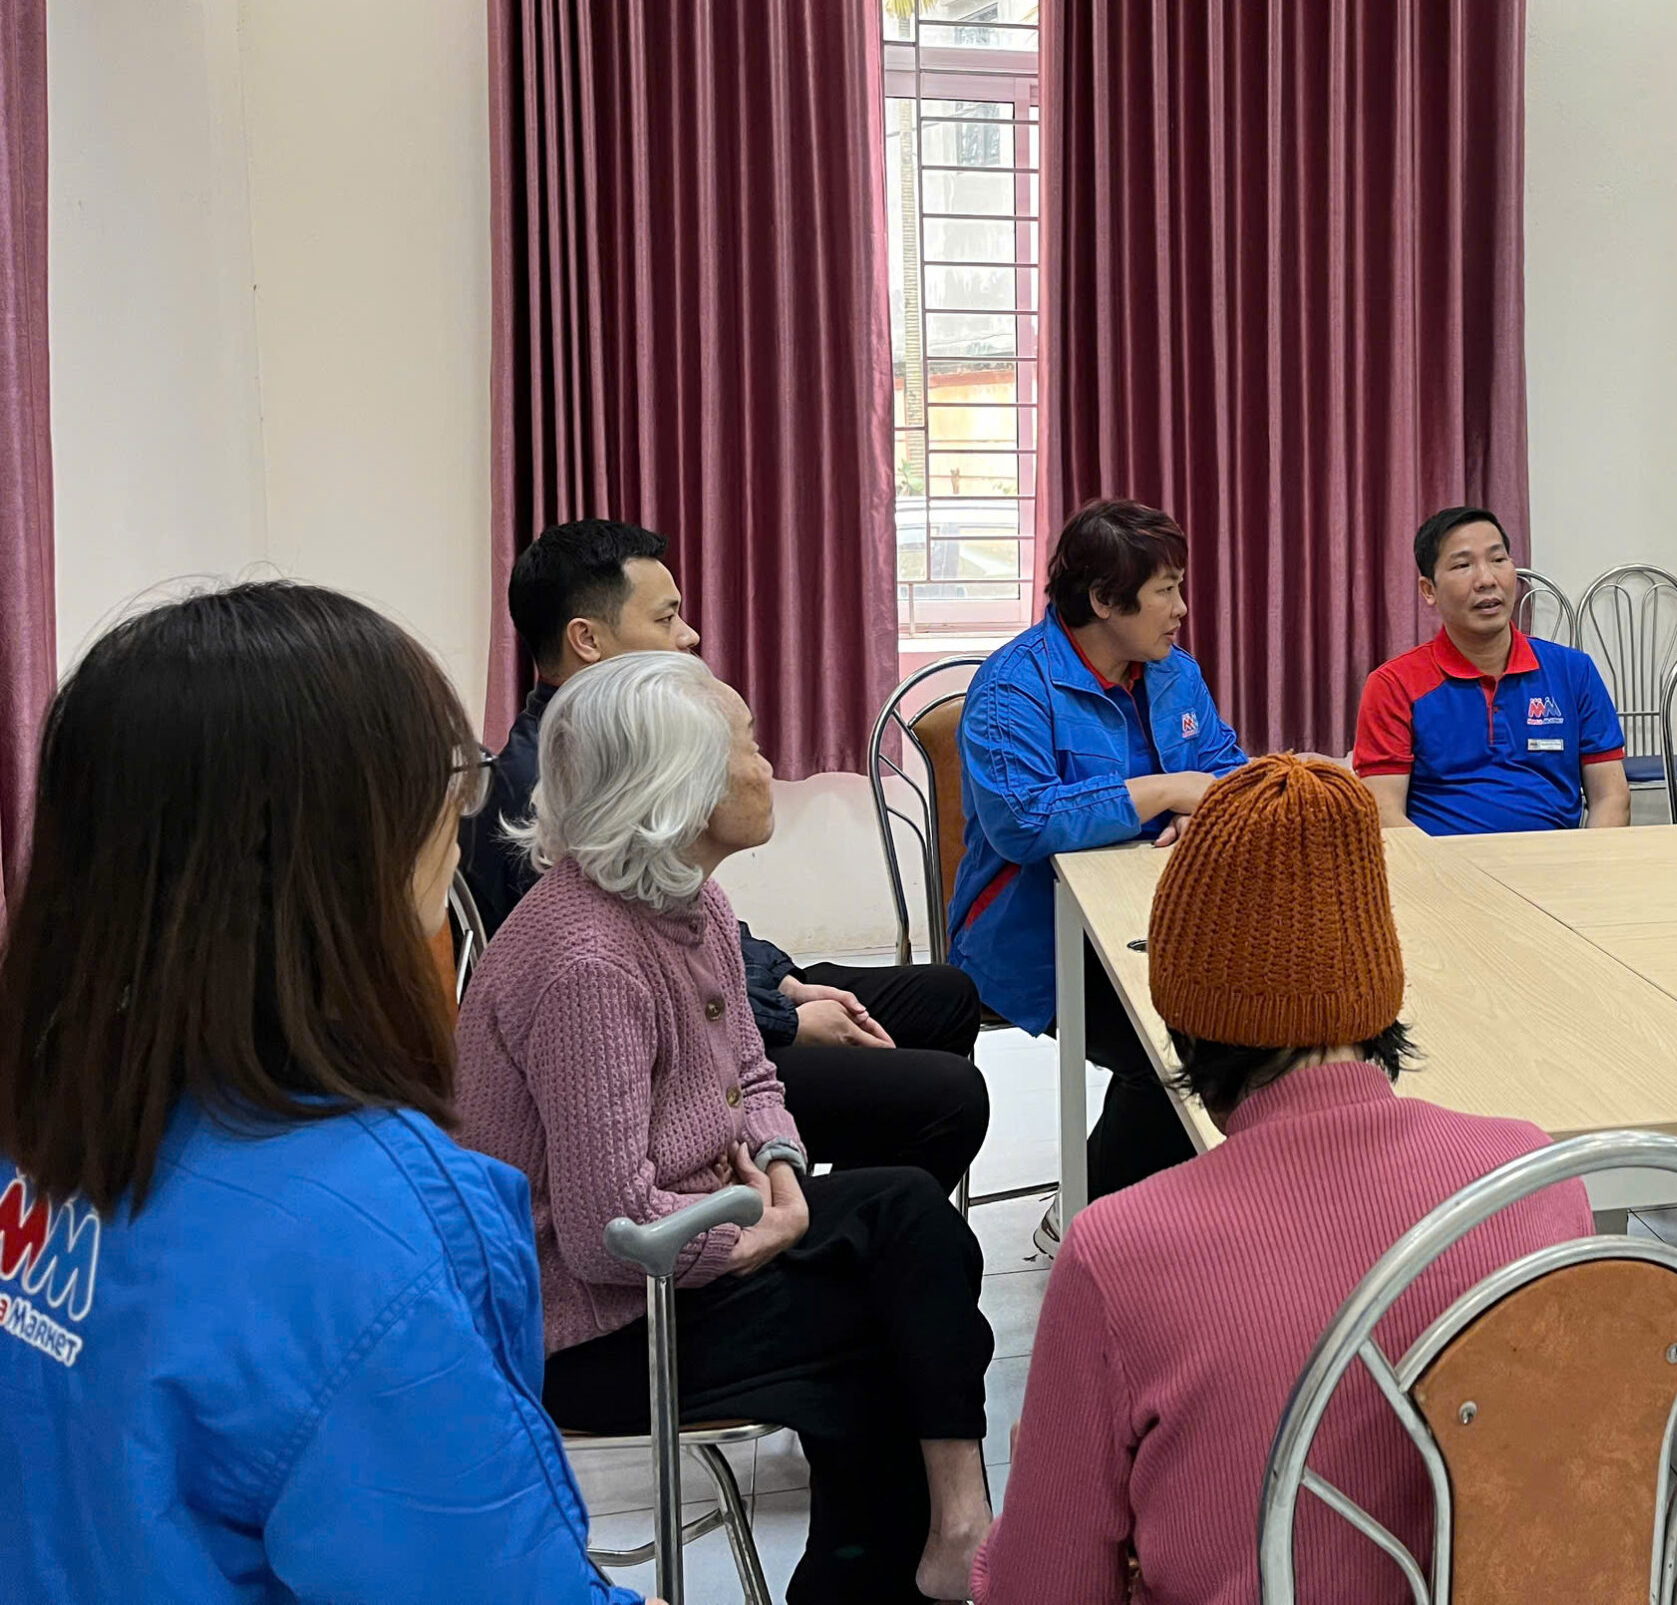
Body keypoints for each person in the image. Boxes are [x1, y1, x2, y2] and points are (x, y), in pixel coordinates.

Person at [0, 582, 646, 1605]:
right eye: (451, 780)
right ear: (341, 847)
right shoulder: (372, 1230)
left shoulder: (42, 1113)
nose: (462, 822)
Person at [971, 755, 1593, 1603]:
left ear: (1179, 1010)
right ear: (1381, 984)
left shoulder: (1117, 1252)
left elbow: (1044, 1589)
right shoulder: (1533, 1175)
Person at [453, 652, 996, 1603]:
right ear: (683, 787)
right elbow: (611, 1233)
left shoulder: (689, 898)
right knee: (886, 1317)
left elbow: (751, 1071)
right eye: (745, 745)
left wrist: (781, 1165)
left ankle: (949, 1536)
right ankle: (932, 1551)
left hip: (689, 1240)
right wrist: (760, 1232)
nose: (764, 762)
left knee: (911, 1223)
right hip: (591, 1330)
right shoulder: (588, 964)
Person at [467, 519, 987, 1191]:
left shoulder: (626, 743)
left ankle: (853, 1203)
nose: (690, 637)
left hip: (717, 1001)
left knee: (946, 996)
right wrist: (787, 1021)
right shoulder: (548, 791)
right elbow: (632, 983)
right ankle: (842, 1212)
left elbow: (685, 920)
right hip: (670, 1049)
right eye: (666, 618)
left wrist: (784, 983)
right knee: (947, 1096)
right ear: (587, 640)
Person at [952, 498, 1248, 1200]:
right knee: (1176, 1055)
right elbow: (1024, 822)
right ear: (1106, 601)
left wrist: (1201, 811)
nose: (1181, 609)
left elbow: (1227, 771)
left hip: (1164, 917)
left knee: (1267, 1018)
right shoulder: (1013, 687)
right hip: (1035, 938)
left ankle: (1190, 1207)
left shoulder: (1173, 672)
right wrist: (1164, 790)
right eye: (1166, 590)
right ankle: (1089, 1219)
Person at [1354, 506, 1630, 835]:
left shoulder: (1574, 672)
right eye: (1463, 565)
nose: (1486, 580)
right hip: (1441, 862)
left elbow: (1611, 796)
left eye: (1498, 559)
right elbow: (1383, 811)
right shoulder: (1393, 685)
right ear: (1429, 590)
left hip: (1556, 859)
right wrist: (1441, 865)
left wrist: (1589, 859)